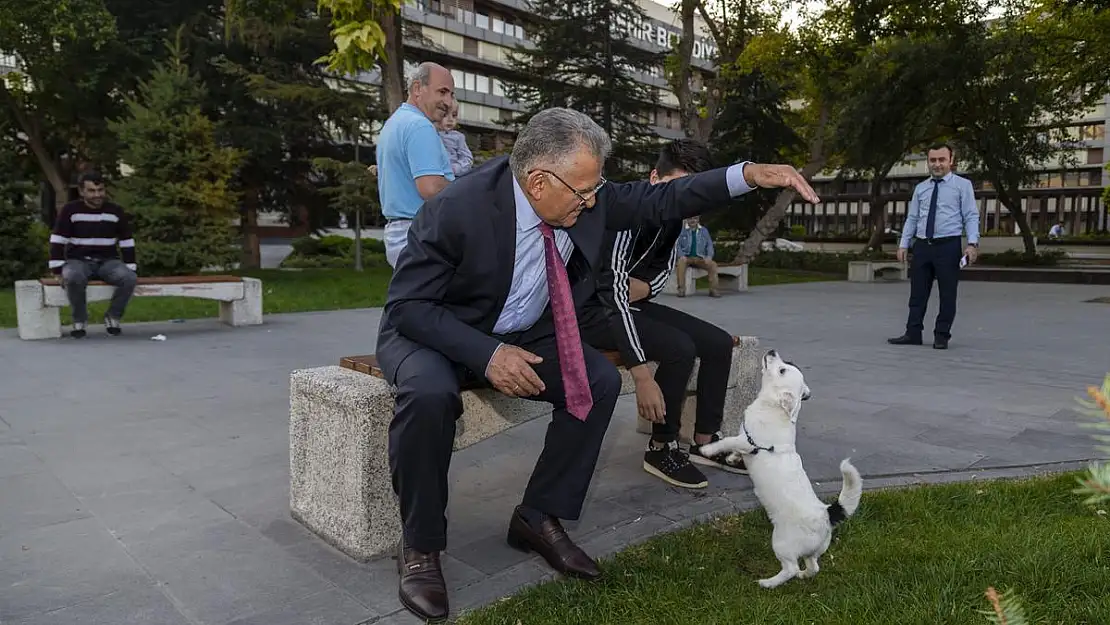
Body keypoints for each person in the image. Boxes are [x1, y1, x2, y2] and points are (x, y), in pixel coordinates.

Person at [375, 107, 820, 622]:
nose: (592, 203)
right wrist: (487, 354)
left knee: (597, 381)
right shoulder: (458, 207)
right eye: (583, 192)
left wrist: (748, 176)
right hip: (437, 329)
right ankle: (422, 548)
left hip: (521, 328)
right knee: (429, 397)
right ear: (538, 181)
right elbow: (407, 307)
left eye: (596, 190)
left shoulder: (579, 195)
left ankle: (538, 516)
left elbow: (663, 198)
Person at [589, 139, 746, 490]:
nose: (686, 200)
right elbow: (611, 291)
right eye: (681, 188)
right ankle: (662, 446)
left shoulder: (676, 218)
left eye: (695, 193)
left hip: (631, 302)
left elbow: (658, 276)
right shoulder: (625, 211)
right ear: (655, 177)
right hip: (593, 312)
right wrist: (640, 371)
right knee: (679, 347)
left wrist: (641, 287)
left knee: (718, 343)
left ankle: (706, 441)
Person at [888, 143, 980, 350]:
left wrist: (972, 243)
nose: (937, 164)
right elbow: (912, 218)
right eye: (933, 160)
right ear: (928, 162)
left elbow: (971, 216)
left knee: (948, 294)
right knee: (917, 293)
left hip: (948, 245)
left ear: (951, 160)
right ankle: (913, 333)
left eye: (941, 160)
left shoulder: (962, 186)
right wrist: (904, 244)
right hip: (922, 246)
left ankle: (941, 335)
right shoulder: (921, 188)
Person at [376, 61, 456, 268]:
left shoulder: (395, 123)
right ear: (417, 88)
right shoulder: (420, 126)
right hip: (421, 235)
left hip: (401, 235)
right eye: (442, 92)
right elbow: (430, 188)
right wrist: (470, 191)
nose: (448, 102)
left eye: (451, 95)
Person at [48, 171, 139, 338]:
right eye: (92, 191)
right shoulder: (70, 210)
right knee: (73, 276)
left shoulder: (115, 211)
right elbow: (58, 240)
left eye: (101, 190)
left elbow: (126, 240)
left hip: (108, 261)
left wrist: (130, 267)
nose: (97, 195)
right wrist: (56, 270)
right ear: (82, 191)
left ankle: (113, 317)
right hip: (78, 261)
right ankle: (79, 320)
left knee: (129, 278)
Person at [674, 214, 720, 297]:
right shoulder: (682, 230)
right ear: (687, 220)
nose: (692, 220)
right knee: (681, 262)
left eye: (695, 218)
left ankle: (714, 290)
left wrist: (709, 256)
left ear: (698, 219)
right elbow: (677, 245)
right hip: (687, 258)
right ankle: (681, 290)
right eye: (690, 218)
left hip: (700, 258)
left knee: (713, 265)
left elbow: (709, 245)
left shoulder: (704, 231)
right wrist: (681, 255)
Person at [437, 102, 473, 177]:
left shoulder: (458, 137)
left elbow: (467, 159)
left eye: (454, 115)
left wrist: (455, 168)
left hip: (452, 177)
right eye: (445, 115)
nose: (450, 119)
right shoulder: (428, 132)